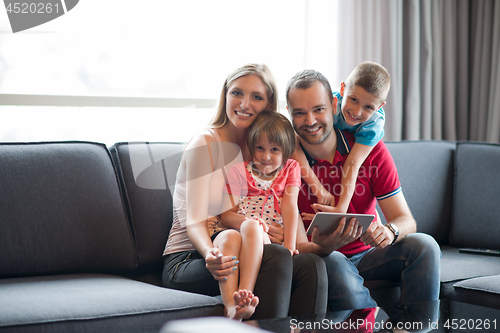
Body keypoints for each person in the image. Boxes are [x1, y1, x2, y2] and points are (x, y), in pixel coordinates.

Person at [162, 64, 327, 320]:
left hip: (245, 244)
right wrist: (210, 255)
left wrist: (292, 239)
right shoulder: (206, 143)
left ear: (268, 103)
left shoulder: (263, 149)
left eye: (257, 97)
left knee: (311, 264)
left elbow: (288, 204)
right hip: (190, 257)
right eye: (237, 93)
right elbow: (194, 222)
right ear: (225, 95)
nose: (245, 103)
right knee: (276, 257)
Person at [283, 69, 441, 313]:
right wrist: (325, 246)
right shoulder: (282, 159)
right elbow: (296, 246)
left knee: (425, 246)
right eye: (299, 113)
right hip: (318, 257)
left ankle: (409, 329)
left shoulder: (370, 148)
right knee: (332, 260)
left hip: (367, 256)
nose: (311, 121)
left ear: (334, 104)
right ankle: (372, 321)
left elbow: (406, 220)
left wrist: (390, 231)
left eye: (319, 109)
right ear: (289, 114)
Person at [213, 111, 301, 319]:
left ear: (286, 151)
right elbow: (226, 216)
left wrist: (289, 246)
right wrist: (247, 221)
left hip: (264, 239)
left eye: (274, 150)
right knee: (233, 235)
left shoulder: (291, 169)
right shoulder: (238, 171)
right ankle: (231, 307)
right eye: (259, 148)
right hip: (235, 232)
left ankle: (245, 293)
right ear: (252, 147)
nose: (265, 156)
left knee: (253, 227)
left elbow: (290, 207)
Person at [292, 61, 389, 211]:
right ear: (343, 89)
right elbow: (293, 138)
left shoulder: (373, 125)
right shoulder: (330, 104)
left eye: (368, 107)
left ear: (380, 106)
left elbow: (352, 163)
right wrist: (317, 187)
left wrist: (341, 208)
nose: (356, 112)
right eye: (354, 100)